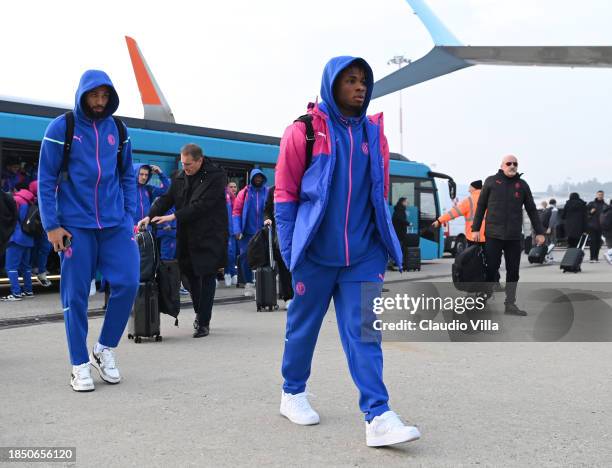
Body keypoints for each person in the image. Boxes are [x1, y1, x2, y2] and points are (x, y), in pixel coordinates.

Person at [275, 56, 420, 447]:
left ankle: (378, 415)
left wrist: (384, 243)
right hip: (314, 254)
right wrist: (290, 252)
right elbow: (286, 194)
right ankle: (292, 392)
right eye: (350, 81)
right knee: (302, 329)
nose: (359, 87)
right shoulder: (302, 132)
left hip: (363, 255)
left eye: (363, 81)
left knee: (365, 333)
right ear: (332, 85)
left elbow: (379, 192)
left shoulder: (375, 136)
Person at [38, 70, 140, 392]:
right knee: (76, 296)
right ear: (82, 94)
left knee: (128, 282)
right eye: (94, 96)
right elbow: (46, 180)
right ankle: (79, 363)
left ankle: (104, 348)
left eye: (105, 96)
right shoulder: (62, 128)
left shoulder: (119, 130)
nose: (99, 102)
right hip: (75, 227)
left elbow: (126, 175)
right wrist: (52, 225)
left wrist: (128, 216)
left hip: (114, 225)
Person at [138, 143, 228, 338]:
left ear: (199, 160)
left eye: (189, 165)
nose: (185, 168)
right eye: (183, 163)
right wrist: (150, 215)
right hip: (187, 234)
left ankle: (203, 321)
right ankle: (200, 312)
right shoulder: (179, 176)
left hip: (210, 234)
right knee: (189, 275)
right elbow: (167, 199)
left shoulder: (215, 177)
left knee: (206, 275)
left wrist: (174, 217)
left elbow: (202, 205)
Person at [471, 155, 545, 316]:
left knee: (513, 271)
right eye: (509, 163)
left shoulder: (522, 185)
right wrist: (475, 228)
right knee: (491, 268)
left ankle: (510, 304)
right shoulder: (491, 181)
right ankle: (484, 295)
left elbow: (532, 209)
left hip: (513, 236)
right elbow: (481, 206)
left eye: (515, 164)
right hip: (493, 234)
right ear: (502, 165)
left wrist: (539, 232)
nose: (512, 166)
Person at [232, 169, 268, 293]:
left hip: (263, 232)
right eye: (256, 177)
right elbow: (236, 212)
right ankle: (248, 283)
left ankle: (263, 282)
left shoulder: (267, 192)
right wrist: (237, 229)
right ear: (252, 178)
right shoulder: (244, 193)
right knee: (245, 257)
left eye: (260, 177)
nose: (258, 179)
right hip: (247, 232)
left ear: (263, 178)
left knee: (264, 257)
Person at [1, 186, 36, 301]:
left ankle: (16, 293)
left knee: (11, 267)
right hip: (28, 239)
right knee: (26, 267)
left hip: (16, 238)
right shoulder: (30, 201)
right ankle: (28, 290)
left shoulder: (16, 200)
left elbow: (11, 219)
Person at [264, 185, 293, 309]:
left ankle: (301, 295)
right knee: (283, 266)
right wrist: (267, 219)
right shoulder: (272, 191)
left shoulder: (295, 186)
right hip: (280, 232)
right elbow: (267, 210)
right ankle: (288, 297)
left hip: (296, 230)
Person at [432, 180, 486, 246]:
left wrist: (439, 220)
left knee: (473, 255)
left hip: (473, 236)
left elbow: (453, 213)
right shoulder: (488, 199)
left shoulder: (469, 201)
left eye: (470, 187)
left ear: (474, 188)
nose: (468, 190)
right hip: (488, 236)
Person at [26, 181, 53, 287]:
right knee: (44, 249)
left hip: (37, 228)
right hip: (44, 228)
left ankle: (36, 267)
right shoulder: (44, 199)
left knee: (37, 248)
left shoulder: (30, 200)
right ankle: (41, 270)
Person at [586, 191, 607, 262]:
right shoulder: (591, 204)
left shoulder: (605, 205)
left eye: (601, 195)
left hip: (601, 226)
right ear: (596, 195)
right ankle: (592, 258)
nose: (600, 196)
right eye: (599, 194)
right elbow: (585, 214)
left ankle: (596, 257)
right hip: (592, 226)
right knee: (593, 242)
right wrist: (590, 212)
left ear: (603, 195)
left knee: (598, 242)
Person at [224, 183, 238, 287]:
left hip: (234, 231)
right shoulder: (225, 197)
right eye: (231, 187)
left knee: (233, 254)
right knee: (228, 253)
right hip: (225, 230)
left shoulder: (236, 199)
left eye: (234, 187)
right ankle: (227, 273)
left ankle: (233, 273)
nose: (233, 189)